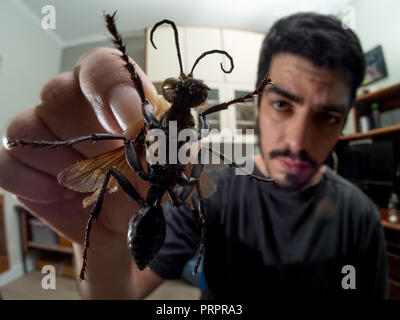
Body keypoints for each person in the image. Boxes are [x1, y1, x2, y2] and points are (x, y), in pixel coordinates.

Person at [0, 12, 388, 299]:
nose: (299, 138)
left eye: (328, 115)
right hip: (144, 212)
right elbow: (121, 296)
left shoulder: (360, 217)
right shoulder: (211, 187)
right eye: (283, 104)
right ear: (260, 97)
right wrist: (100, 245)